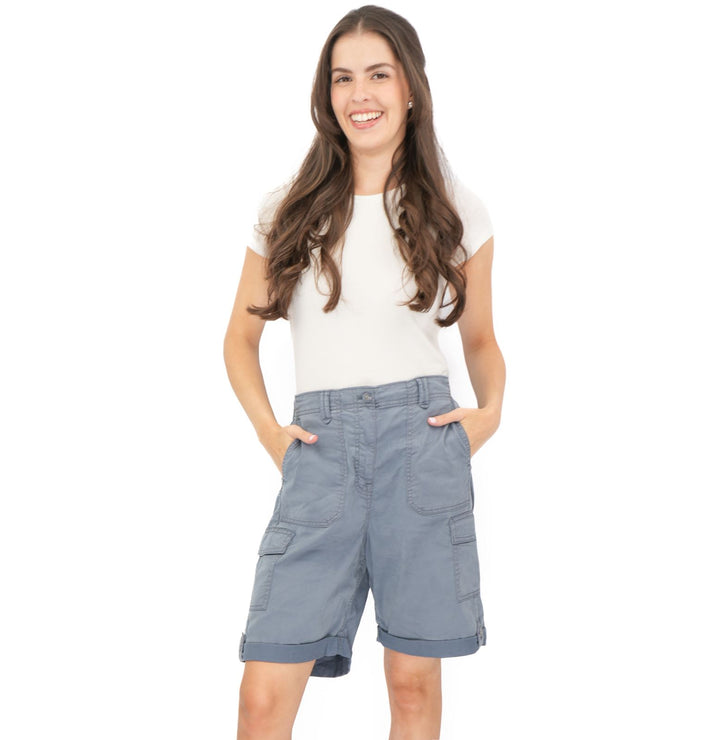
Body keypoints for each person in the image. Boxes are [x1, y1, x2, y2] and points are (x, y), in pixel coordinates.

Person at [223, 5, 505, 739]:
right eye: (343, 78)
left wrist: (489, 413)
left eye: (378, 74)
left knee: (411, 685)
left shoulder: (457, 210)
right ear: (327, 94)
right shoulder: (286, 209)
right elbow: (239, 341)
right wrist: (271, 434)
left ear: (410, 87)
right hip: (320, 450)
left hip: (422, 440)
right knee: (263, 694)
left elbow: (479, 338)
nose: (361, 94)